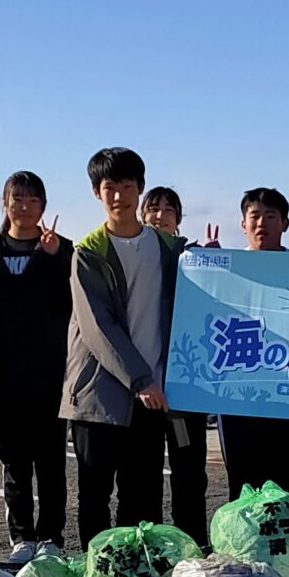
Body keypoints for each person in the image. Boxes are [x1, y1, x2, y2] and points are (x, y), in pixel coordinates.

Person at [64, 145, 184, 543]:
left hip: (151, 396)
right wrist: (140, 379)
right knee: (95, 497)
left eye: (127, 186)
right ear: (97, 193)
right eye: (109, 187)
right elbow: (99, 326)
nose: (118, 196)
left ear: (140, 189)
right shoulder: (88, 252)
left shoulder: (168, 249)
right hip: (100, 395)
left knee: (145, 498)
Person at [0, 171, 72, 552]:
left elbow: (66, 307)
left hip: (49, 374)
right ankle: (21, 536)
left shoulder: (63, 250)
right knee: (13, 461)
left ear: (43, 207)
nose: (25, 208)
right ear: (5, 203)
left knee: (51, 462)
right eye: (18, 200)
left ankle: (51, 536)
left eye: (33, 200)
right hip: (3, 373)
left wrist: (52, 259)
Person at [215, 185, 289, 504]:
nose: (262, 223)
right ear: (243, 224)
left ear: (285, 223)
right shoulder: (224, 271)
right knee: (244, 488)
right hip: (239, 399)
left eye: (270, 216)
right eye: (254, 216)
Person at [139, 183, 212, 540]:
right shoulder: (133, 253)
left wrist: (214, 261)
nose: (159, 215)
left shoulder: (192, 255)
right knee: (145, 468)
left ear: (179, 219)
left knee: (187, 466)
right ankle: (152, 541)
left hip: (184, 389)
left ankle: (192, 538)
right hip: (145, 387)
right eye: (153, 208)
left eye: (168, 210)